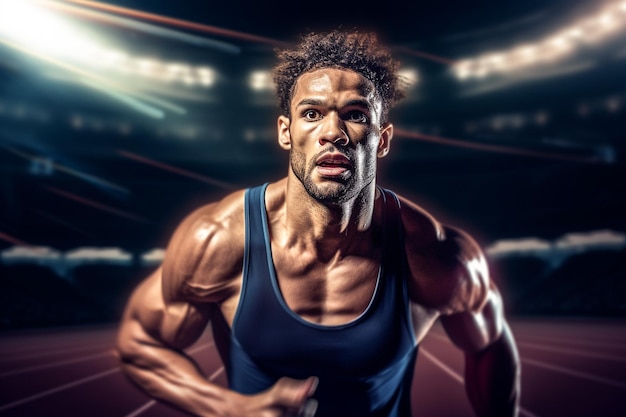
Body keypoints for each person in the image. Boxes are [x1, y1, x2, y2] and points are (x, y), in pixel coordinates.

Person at [115, 29, 521, 417]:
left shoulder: (437, 256)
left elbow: (490, 343)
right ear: (286, 132)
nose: (333, 133)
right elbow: (140, 342)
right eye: (312, 113)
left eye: (356, 115)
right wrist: (225, 407)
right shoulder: (219, 240)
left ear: (381, 140)